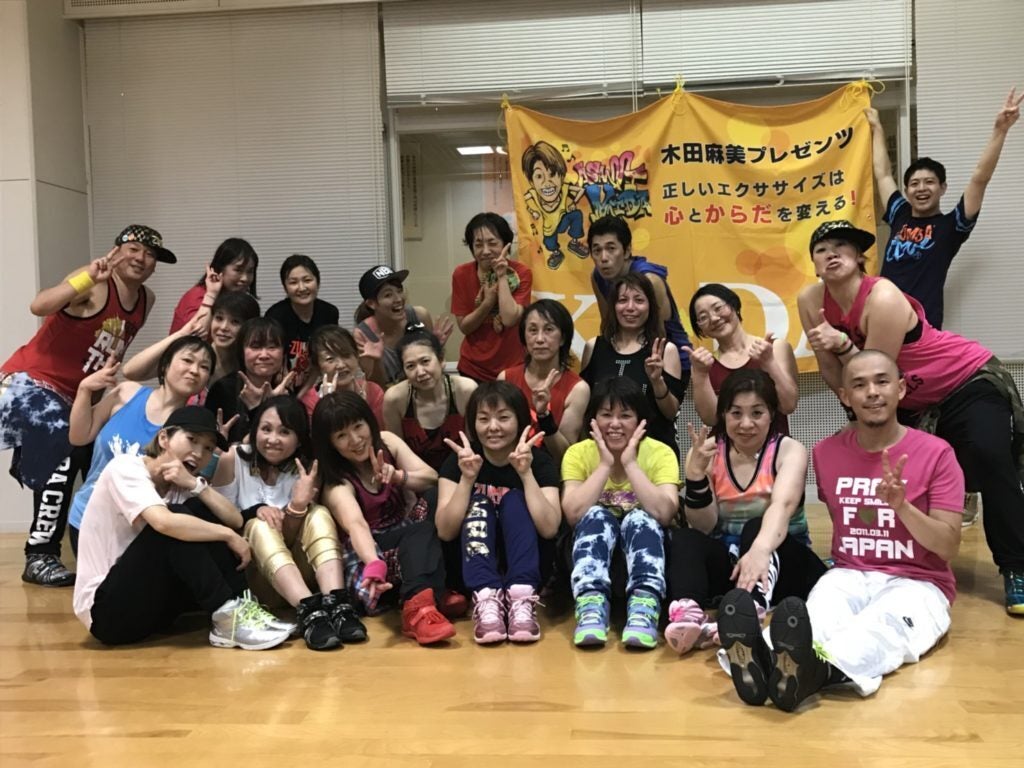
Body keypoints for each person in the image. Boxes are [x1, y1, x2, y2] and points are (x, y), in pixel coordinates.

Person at [798, 219, 1024, 614]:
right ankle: (858, 551)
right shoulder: (810, 300)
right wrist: (849, 400)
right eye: (822, 249)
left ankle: (1017, 566)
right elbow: (839, 377)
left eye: (842, 246)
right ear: (814, 264)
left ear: (859, 257)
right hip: (912, 399)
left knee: (988, 456)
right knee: (862, 456)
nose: (832, 253)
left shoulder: (883, 297)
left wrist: (843, 344)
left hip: (963, 380)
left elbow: (877, 373)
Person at [724, 350, 965, 710]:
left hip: (919, 581)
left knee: (877, 627)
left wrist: (902, 507)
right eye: (859, 384)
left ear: (900, 388)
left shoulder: (937, 453)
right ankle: (763, 660)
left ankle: (813, 672)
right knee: (814, 620)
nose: (872, 392)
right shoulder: (827, 453)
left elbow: (947, 547)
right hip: (848, 573)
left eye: (882, 381)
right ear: (845, 396)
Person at [1, 224, 167, 587]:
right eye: (134, 249)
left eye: (151, 254)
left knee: (98, 454)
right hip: (32, 381)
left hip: (76, 393)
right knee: (62, 451)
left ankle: (97, 546)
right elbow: (38, 305)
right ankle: (40, 555)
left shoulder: (146, 300)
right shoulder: (94, 282)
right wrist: (85, 278)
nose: (142, 258)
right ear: (117, 250)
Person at [72, 406, 292, 649]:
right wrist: (228, 535)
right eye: (191, 439)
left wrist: (196, 485)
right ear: (163, 438)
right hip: (107, 612)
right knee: (176, 521)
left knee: (199, 512)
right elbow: (163, 522)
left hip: (156, 607)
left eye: (208, 448)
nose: (198, 453)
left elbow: (235, 520)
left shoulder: (180, 484)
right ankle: (228, 617)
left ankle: (243, 606)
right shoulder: (125, 468)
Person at [672, 371, 827, 706]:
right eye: (736, 413)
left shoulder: (790, 450)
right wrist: (695, 477)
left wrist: (759, 550)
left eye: (757, 413)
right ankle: (689, 617)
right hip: (735, 567)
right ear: (723, 415)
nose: (746, 423)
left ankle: (748, 614)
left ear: (772, 414)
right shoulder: (709, 453)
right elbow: (704, 525)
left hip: (784, 562)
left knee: (756, 526)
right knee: (683, 538)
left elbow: (782, 507)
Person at [212, 396, 365, 651]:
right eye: (266, 429)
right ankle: (309, 612)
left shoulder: (307, 469)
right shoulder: (233, 459)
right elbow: (222, 525)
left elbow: (293, 538)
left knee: (318, 513)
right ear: (255, 430)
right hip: (253, 577)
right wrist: (254, 512)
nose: (273, 439)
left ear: (299, 438)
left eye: (285, 432)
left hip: (302, 575)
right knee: (259, 525)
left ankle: (337, 606)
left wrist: (297, 508)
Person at [866, 89, 1023, 329]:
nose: (921, 188)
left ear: (942, 188)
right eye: (914, 184)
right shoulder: (899, 213)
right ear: (907, 190)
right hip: (881, 317)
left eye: (929, 182)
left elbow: (980, 178)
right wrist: (877, 128)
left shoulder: (952, 226)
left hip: (922, 325)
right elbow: (883, 174)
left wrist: (1000, 130)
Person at [313, 391, 455, 645]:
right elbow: (356, 526)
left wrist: (399, 477)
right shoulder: (337, 483)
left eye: (358, 426)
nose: (355, 440)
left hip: (405, 531)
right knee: (420, 532)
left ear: (369, 422)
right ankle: (417, 610)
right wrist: (373, 564)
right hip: (371, 551)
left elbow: (432, 477)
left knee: (438, 499)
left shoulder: (387, 442)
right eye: (341, 436)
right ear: (330, 444)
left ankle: (436, 591)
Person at [435, 382, 561, 644]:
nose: (493, 427)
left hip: (528, 567)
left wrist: (526, 474)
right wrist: (467, 480)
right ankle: (487, 599)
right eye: (483, 419)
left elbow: (550, 528)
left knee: (514, 500)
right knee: (478, 503)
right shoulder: (461, 461)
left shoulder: (539, 462)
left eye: (503, 418)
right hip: (474, 568)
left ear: (520, 420)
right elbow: (445, 531)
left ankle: (521, 600)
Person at [561, 378, 679, 649]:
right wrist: (604, 464)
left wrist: (630, 463)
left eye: (625, 416)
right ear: (593, 419)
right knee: (596, 515)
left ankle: (644, 607)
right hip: (590, 550)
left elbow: (664, 513)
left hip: (647, 549)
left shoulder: (660, 453)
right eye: (606, 415)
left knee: (640, 518)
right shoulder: (577, 453)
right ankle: (590, 606)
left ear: (640, 422)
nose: (614, 424)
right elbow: (573, 514)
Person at [67, 336, 216, 550]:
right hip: (87, 517)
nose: (194, 370)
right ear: (165, 364)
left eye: (204, 367)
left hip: (138, 532)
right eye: (187, 360)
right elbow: (79, 436)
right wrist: (84, 390)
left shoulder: (193, 430)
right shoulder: (127, 393)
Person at [581, 273, 684, 456]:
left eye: (639, 300)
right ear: (613, 306)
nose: (630, 307)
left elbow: (670, 413)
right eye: (622, 300)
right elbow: (586, 411)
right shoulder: (593, 347)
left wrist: (657, 381)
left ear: (650, 306)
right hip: (603, 454)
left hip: (653, 454)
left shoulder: (665, 350)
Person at [686, 284, 798, 435]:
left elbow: (788, 405)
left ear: (734, 306)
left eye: (718, 308)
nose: (714, 318)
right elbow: (711, 419)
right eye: (703, 317)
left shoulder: (774, 348)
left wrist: (769, 363)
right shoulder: (704, 364)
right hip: (726, 447)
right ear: (700, 328)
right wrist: (700, 374)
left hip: (774, 445)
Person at [588, 214, 692, 377]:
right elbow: (609, 326)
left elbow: (659, 334)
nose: (603, 258)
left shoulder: (650, 279)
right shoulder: (597, 277)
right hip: (629, 360)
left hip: (672, 362)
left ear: (627, 250)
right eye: (597, 250)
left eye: (611, 249)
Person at [499, 299, 590, 462]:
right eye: (533, 330)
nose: (540, 339)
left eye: (549, 329)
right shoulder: (506, 378)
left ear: (563, 338)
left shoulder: (578, 389)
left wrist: (544, 416)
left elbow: (564, 454)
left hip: (551, 471)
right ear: (524, 338)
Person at [451, 213, 533, 382]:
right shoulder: (461, 274)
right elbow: (465, 327)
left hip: (513, 367)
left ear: (506, 244)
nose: (486, 251)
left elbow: (509, 319)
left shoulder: (521, 273)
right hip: (473, 368)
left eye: (492, 243)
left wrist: (501, 275)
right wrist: (487, 303)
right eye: (478, 244)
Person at [382, 332, 477, 470]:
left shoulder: (466, 390)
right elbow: (396, 453)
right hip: (417, 475)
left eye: (425, 361)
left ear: (441, 360)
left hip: (463, 471)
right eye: (410, 366)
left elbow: (474, 446)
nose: (420, 372)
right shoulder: (395, 399)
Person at [204, 317, 295, 444]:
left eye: (272, 347)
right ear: (242, 352)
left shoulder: (285, 394)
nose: (264, 355)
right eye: (255, 347)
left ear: (283, 353)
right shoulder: (222, 390)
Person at [353, 265, 447, 387]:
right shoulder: (363, 334)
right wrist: (377, 361)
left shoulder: (419, 316)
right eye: (388, 295)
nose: (398, 299)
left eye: (399, 290)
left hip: (424, 391)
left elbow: (434, 367)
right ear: (372, 303)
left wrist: (437, 347)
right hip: (389, 395)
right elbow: (376, 386)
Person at [265, 254, 339, 386]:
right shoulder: (275, 316)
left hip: (318, 383)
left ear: (318, 282)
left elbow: (328, 356)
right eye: (293, 282)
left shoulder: (329, 313)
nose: (302, 288)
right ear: (285, 287)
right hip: (281, 385)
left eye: (307, 280)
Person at [520, 140, 587, 270]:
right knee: (549, 242)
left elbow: (581, 190)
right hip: (549, 227)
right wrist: (533, 210)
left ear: (561, 177)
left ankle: (574, 243)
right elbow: (526, 197)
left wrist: (573, 202)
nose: (547, 182)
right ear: (532, 182)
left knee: (576, 214)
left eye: (552, 174)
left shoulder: (564, 189)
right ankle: (556, 254)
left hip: (562, 221)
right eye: (539, 176)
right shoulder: (534, 195)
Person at [298, 325, 385, 424]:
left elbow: (381, 432)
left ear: (357, 356)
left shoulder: (373, 391)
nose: (341, 365)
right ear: (317, 366)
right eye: (330, 359)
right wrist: (327, 406)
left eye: (346, 355)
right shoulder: (309, 403)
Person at [169, 237, 259, 334]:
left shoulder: (237, 300)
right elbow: (197, 334)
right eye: (238, 270)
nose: (245, 278)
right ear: (220, 268)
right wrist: (211, 296)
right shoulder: (197, 297)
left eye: (250, 271)